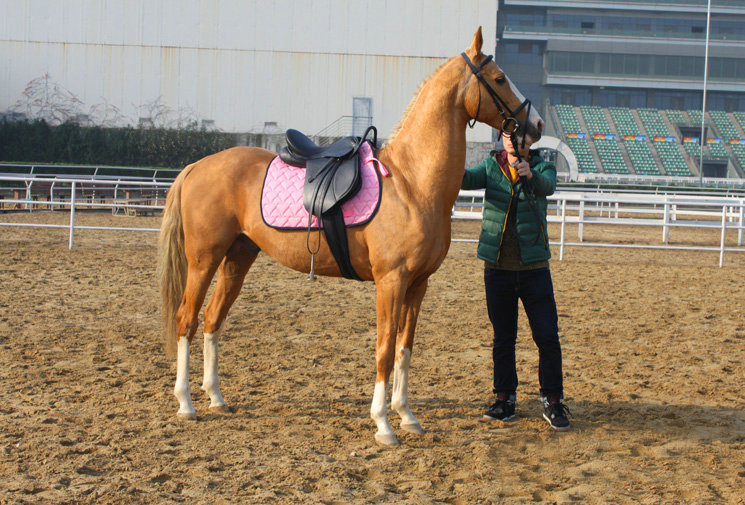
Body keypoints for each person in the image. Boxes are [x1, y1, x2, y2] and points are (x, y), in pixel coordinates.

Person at [461, 132, 570, 431]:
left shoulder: (542, 167)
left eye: (519, 136)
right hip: (497, 269)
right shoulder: (489, 167)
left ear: (530, 140)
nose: (512, 140)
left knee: (547, 336)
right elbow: (464, 179)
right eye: (507, 135)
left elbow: (548, 186)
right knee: (503, 338)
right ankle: (504, 399)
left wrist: (530, 175)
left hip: (535, 269)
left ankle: (553, 400)